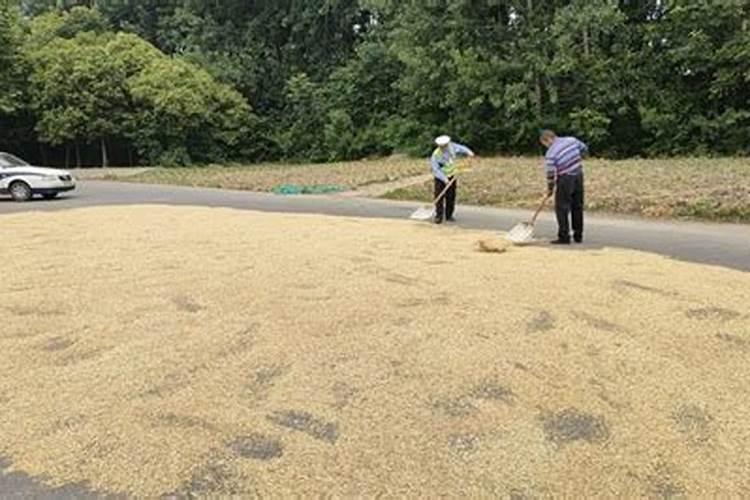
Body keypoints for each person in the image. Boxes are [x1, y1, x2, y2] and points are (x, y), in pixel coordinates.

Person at [539, 129, 588, 244]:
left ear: (548, 139)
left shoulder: (551, 154)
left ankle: (564, 236)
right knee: (577, 206)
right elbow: (584, 148)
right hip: (578, 175)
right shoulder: (571, 140)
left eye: (545, 144)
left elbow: (551, 174)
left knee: (561, 207)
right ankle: (578, 235)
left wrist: (550, 189)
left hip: (565, 178)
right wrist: (578, 158)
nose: (546, 147)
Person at [430, 135, 475, 224]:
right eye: (443, 146)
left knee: (451, 196)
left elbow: (461, 148)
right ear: (439, 146)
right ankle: (439, 216)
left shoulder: (452, 147)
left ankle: (449, 215)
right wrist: (444, 179)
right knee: (439, 196)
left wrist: (469, 152)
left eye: (446, 145)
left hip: (452, 175)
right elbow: (435, 170)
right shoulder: (436, 155)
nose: (445, 147)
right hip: (441, 178)